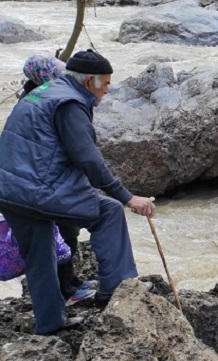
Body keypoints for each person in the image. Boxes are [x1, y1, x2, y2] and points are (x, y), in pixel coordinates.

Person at [0, 49, 156, 335]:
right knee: (108, 212)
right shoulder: (70, 104)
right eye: (105, 83)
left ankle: (50, 324)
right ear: (89, 82)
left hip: (9, 191)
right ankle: (116, 290)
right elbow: (88, 158)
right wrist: (127, 197)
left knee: (39, 254)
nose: (108, 90)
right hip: (38, 190)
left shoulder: (43, 91)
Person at [19, 54, 99, 306]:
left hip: (47, 183)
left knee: (67, 234)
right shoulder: (42, 101)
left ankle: (71, 282)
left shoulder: (34, 97)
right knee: (61, 236)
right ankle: (66, 290)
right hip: (44, 185)